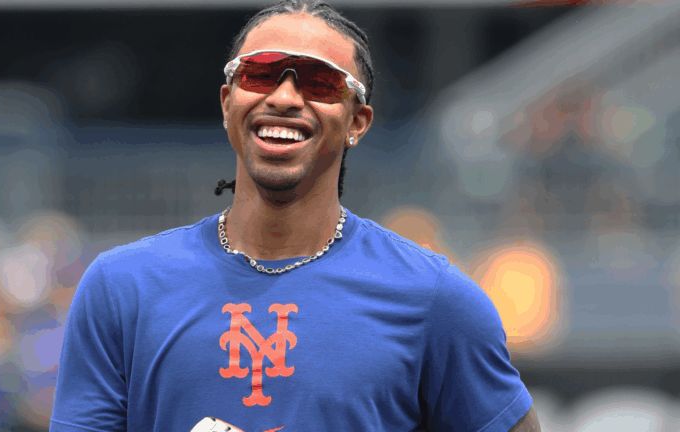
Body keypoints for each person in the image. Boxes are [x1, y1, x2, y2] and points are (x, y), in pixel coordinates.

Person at [51, 1, 541, 431]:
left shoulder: (435, 300)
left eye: (320, 82)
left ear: (357, 122)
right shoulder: (122, 288)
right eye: (260, 74)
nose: (284, 98)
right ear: (228, 104)